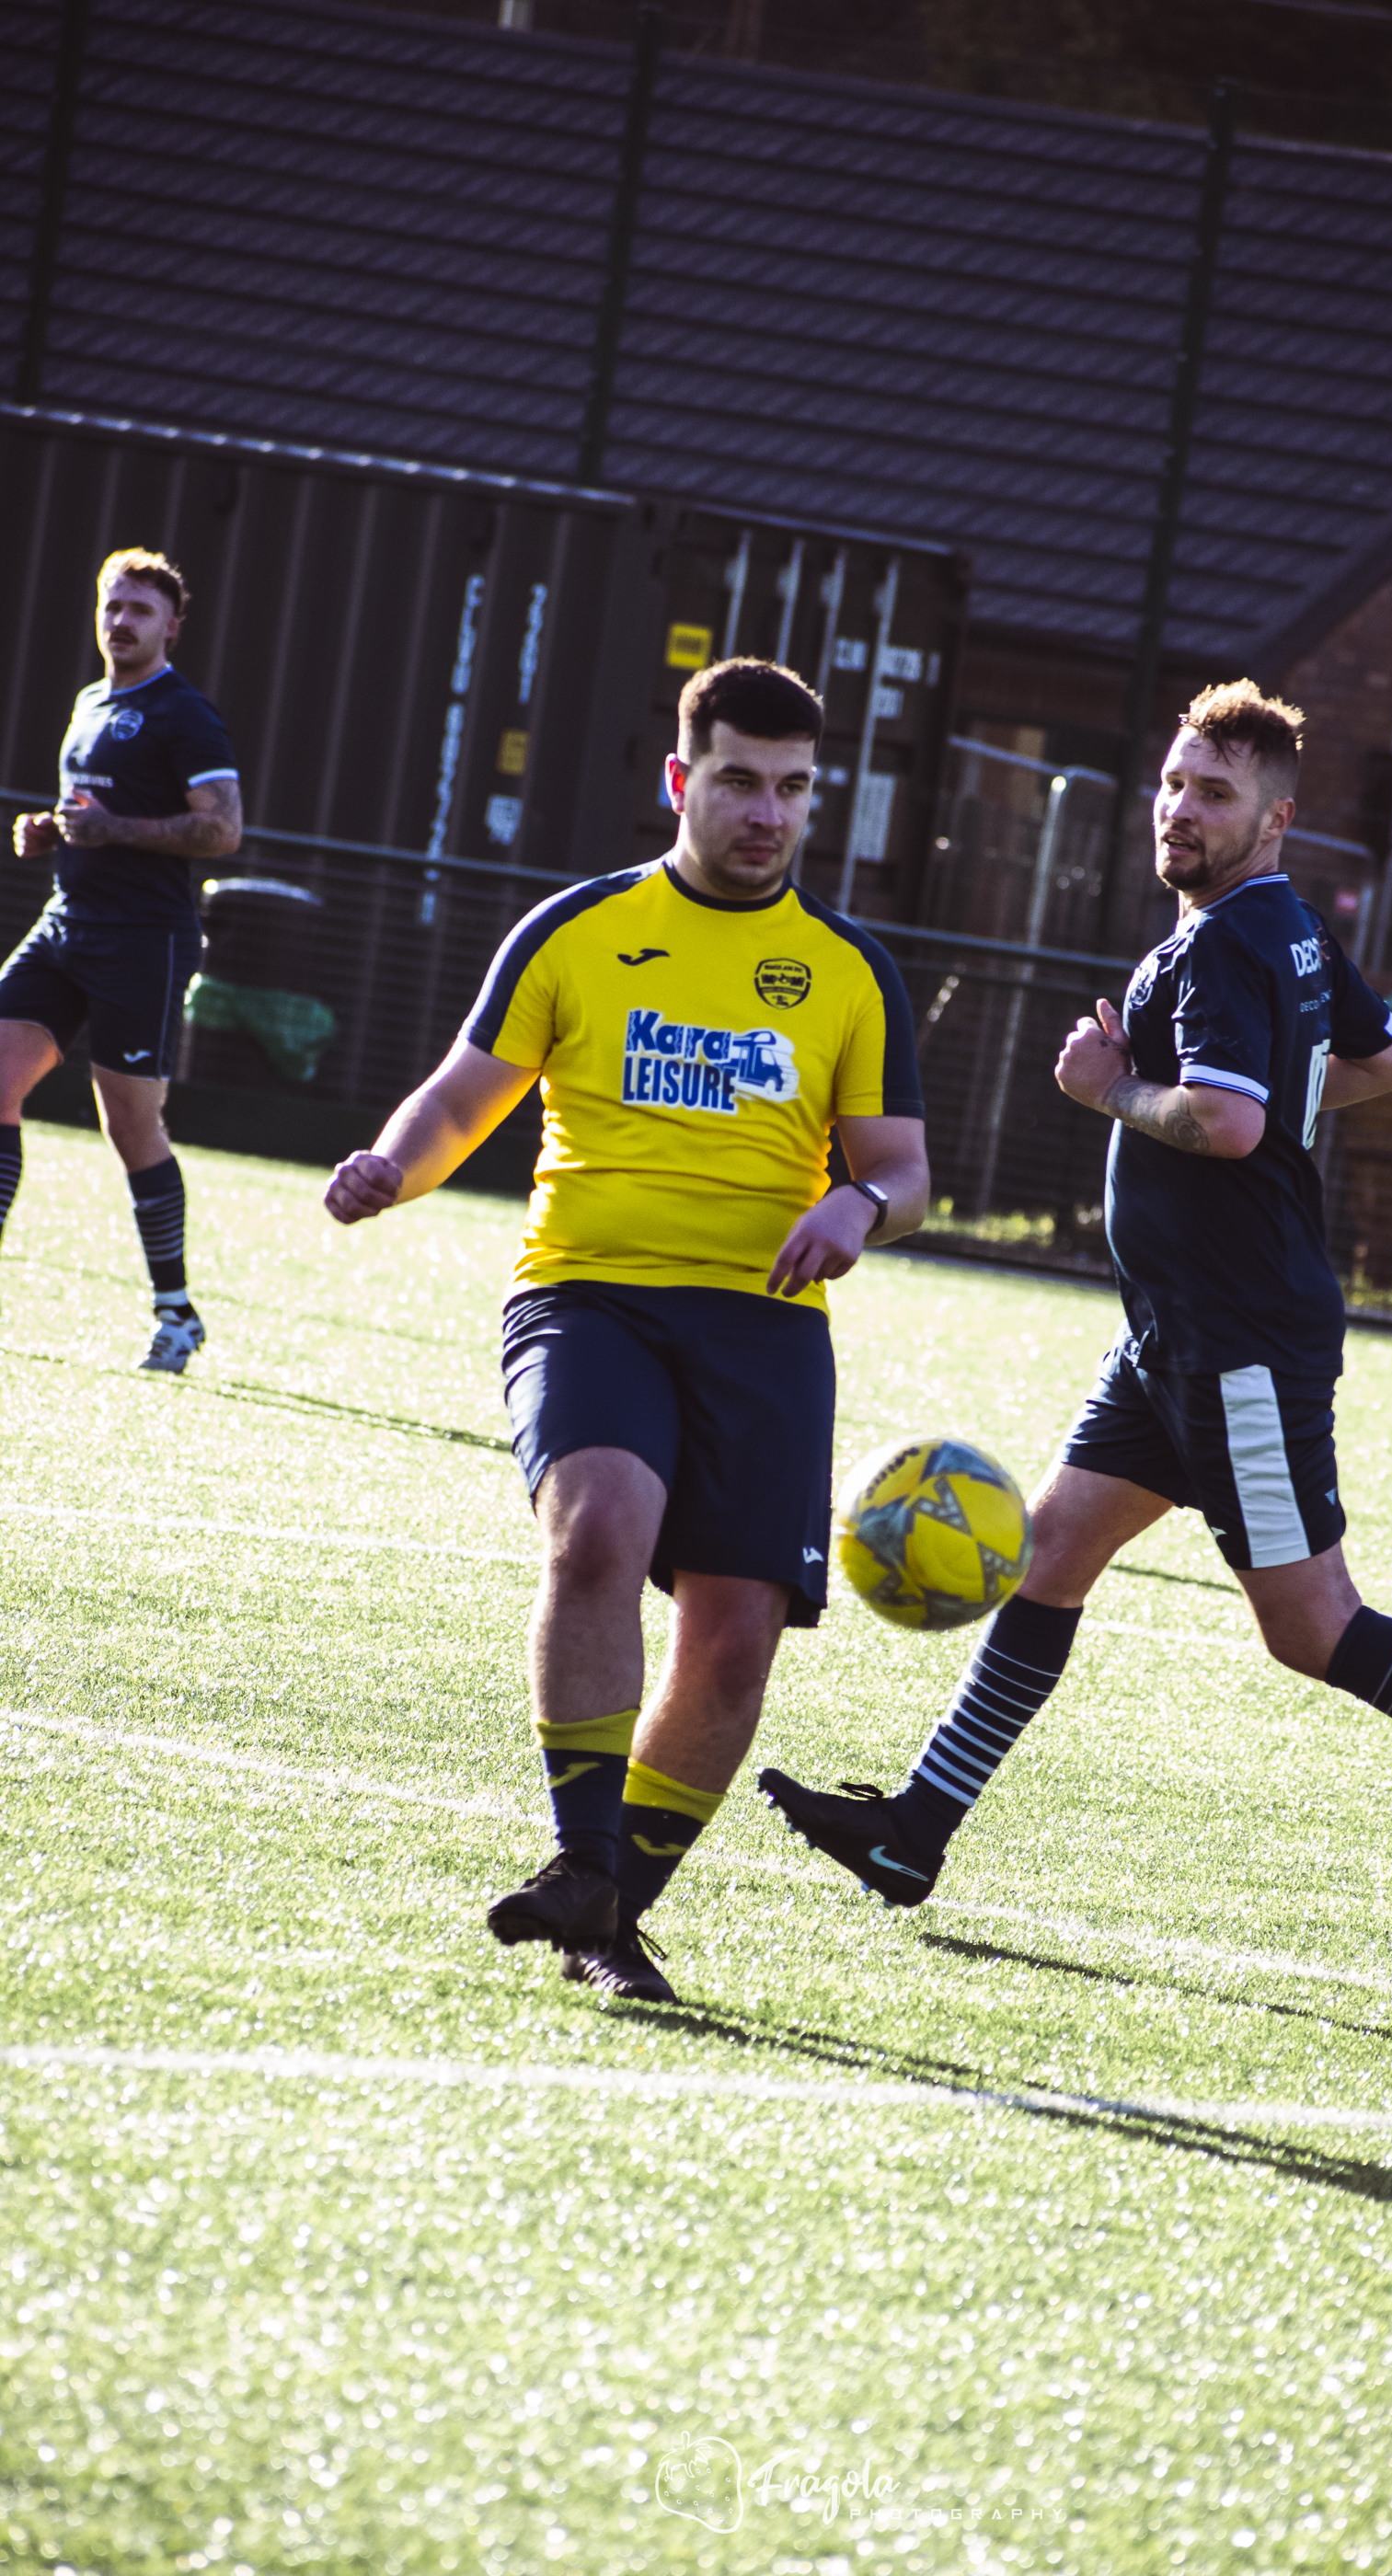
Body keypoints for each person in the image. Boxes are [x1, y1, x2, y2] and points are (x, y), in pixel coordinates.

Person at [761, 680, 1392, 1958]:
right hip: (1171, 1338)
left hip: (1236, 1343)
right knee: (1053, 1550)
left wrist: (1108, 1087)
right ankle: (915, 1829)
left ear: (1273, 818)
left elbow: (1226, 1122)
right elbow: (1389, 1065)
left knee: (1309, 1626)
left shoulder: (1224, 943)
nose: (1180, 810)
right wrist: (1258, 1106)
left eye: (1213, 793)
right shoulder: (1282, 925)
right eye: (1174, 783)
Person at [324, 657, 928, 2003]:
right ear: (679, 779)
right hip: (587, 1294)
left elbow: (904, 1171)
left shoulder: (847, 972)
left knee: (734, 1636)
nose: (765, 813)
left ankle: (609, 1910)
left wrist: (855, 1203)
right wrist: (387, 1167)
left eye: (792, 790)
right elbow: (456, 1099)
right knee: (598, 1527)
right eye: (736, 782)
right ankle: (578, 1848)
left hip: (765, 1326)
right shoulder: (577, 931)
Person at [2, 548, 242, 1371]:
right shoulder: (88, 702)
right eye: (112, 607)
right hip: (66, 923)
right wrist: (50, 828)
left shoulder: (185, 714)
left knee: (130, 1125)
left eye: (140, 610)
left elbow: (221, 829)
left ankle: (176, 1313)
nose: (121, 622)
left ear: (171, 627)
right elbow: (91, 810)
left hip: (145, 940)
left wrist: (119, 832)